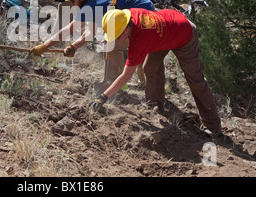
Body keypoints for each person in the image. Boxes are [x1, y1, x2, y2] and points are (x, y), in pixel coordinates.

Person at [90, 8, 222, 136]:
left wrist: (102, 97)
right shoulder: (127, 15)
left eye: (118, 36)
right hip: (162, 33)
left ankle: (213, 127)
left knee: (195, 80)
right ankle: (155, 106)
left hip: (184, 34)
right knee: (150, 68)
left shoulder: (140, 39)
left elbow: (125, 76)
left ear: (127, 29)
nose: (117, 40)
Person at [29, 0, 154, 88]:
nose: (72, 4)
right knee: (127, 43)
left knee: (115, 44)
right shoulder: (93, 3)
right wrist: (73, 47)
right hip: (140, 10)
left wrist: (45, 46)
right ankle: (140, 82)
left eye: (73, 1)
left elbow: (68, 30)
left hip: (145, 13)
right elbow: (89, 34)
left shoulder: (92, 6)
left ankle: (114, 83)